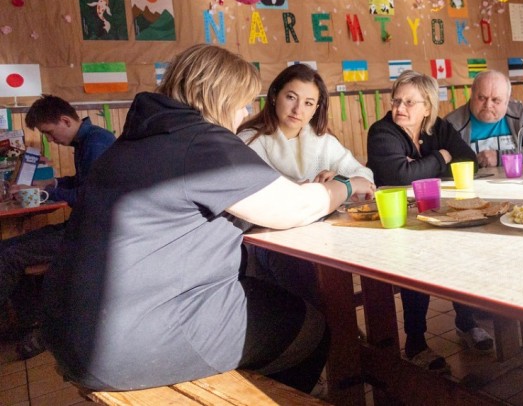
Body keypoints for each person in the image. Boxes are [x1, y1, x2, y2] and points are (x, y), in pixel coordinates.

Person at [42, 44, 372, 392]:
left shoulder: (132, 142)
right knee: (312, 329)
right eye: (241, 101)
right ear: (220, 96)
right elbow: (296, 208)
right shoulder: (203, 142)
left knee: (268, 300)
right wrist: (347, 185)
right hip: (128, 342)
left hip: (70, 331)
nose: (243, 111)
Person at [366, 70, 493, 372]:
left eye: (410, 102)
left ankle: (466, 322)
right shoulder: (381, 132)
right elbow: (398, 176)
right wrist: (440, 158)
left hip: (440, 208)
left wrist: (422, 166)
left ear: (427, 107)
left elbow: (469, 162)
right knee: (415, 269)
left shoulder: (439, 127)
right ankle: (415, 343)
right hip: (400, 218)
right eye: (397, 100)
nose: (399, 108)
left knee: (461, 255)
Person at [237, 64, 375, 303]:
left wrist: (340, 181)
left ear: (316, 109)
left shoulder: (322, 141)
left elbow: (364, 178)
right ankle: (318, 327)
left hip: (318, 235)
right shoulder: (250, 141)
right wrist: (317, 192)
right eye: (291, 97)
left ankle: (336, 327)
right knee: (298, 270)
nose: (298, 109)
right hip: (271, 243)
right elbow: (258, 207)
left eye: (309, 103)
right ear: (274, 96)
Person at [0, 95, 115, 359]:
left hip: (92, 234)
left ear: (65, 120)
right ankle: (32, 323)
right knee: (7, 247)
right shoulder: (89, 139)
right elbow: (82, 182)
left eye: (49, 133)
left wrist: (49, 193)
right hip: (82, 226)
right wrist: (47, 186)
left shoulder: (96, 143)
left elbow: (90, 196)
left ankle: (39, 326)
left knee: (10, 256)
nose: (51, 140)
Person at [445, 70, 523, 168]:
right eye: (482, 98)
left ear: (507, 101)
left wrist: (500, 158)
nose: (488, 105)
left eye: (496, 100)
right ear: (471, 94)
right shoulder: (451, 125)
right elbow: (442, 165)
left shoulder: (522, 115)